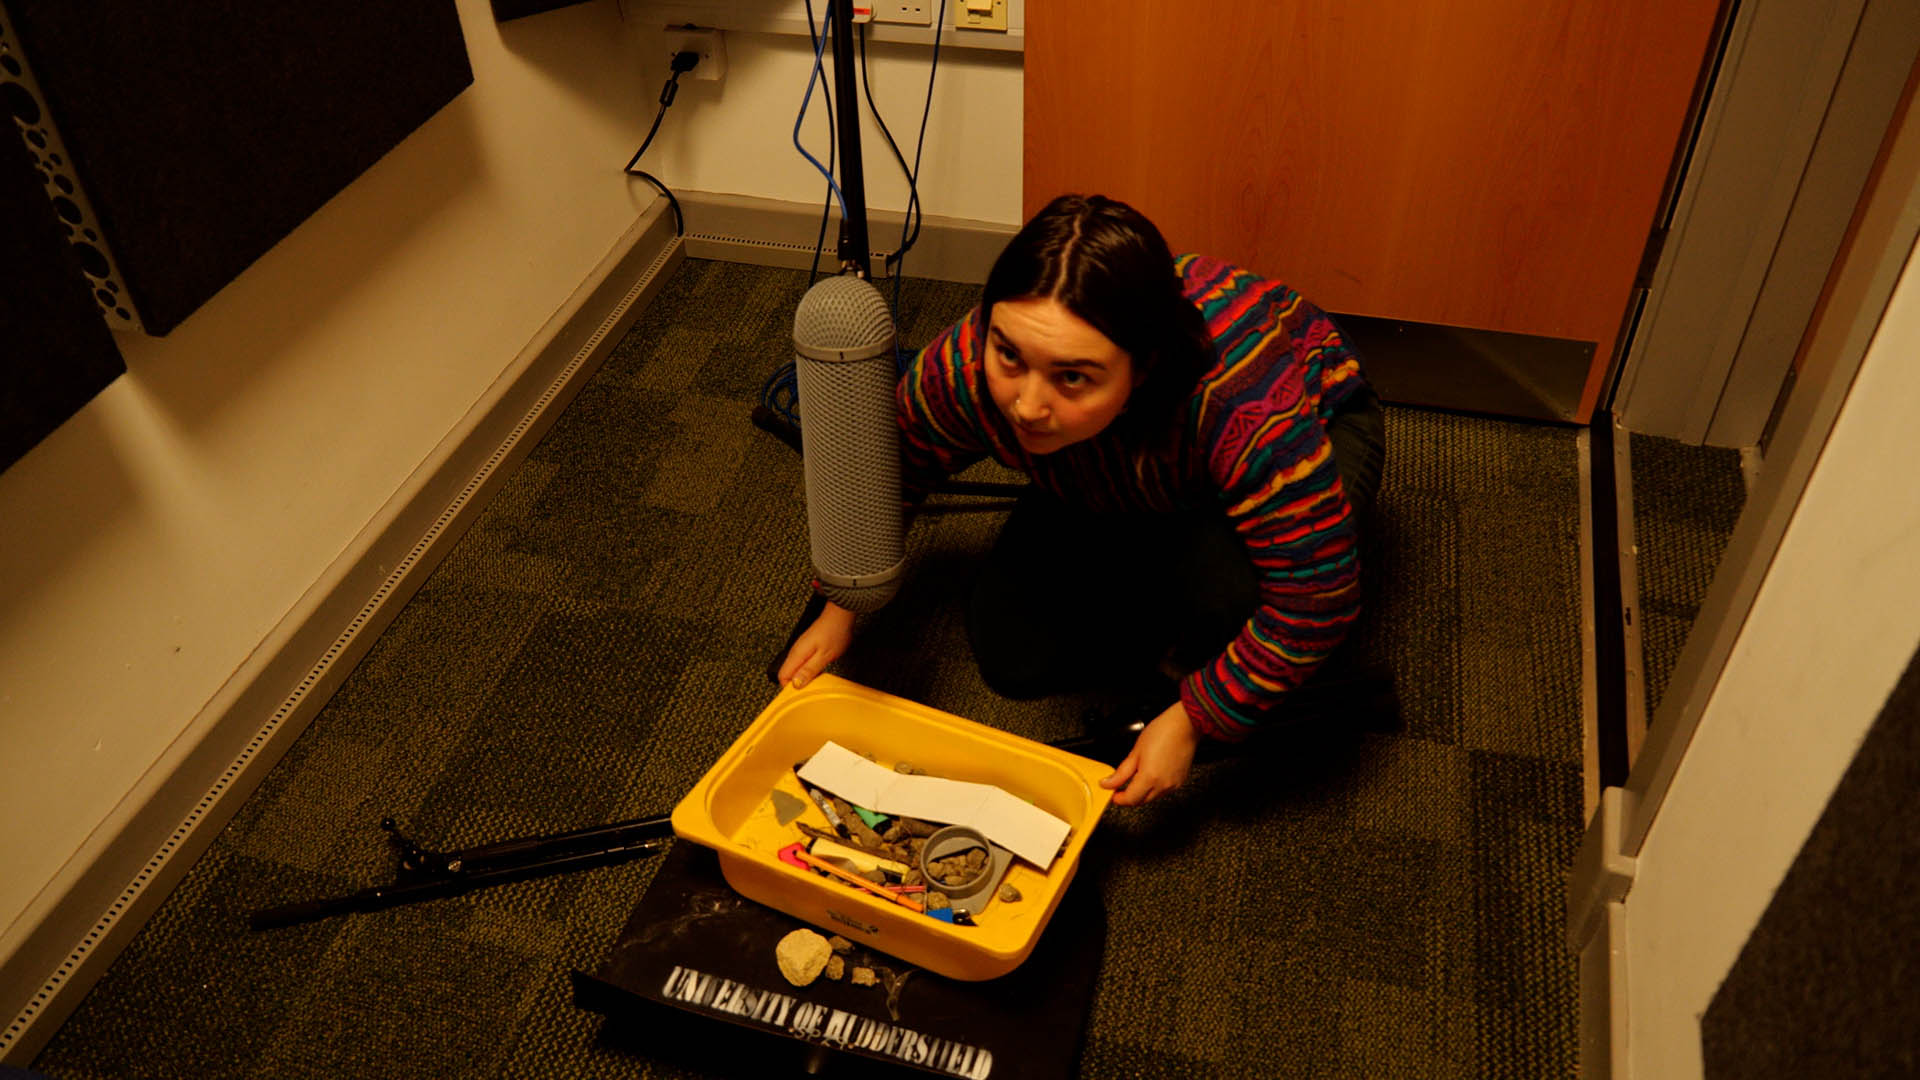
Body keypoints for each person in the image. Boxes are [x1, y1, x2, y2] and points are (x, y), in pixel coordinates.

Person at [777, 194, 1384, 807]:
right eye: (1009, 355)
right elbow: (895, 465)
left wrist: (1197, 716)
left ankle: (1192, 613)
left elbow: (1317, 597)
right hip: (1102, 460)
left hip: (1314, 429)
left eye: (1072, 376)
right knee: (1013, 657)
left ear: (1142, 369)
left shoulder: (1243, 406)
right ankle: (1152, 576)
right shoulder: (968, 360)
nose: (1028, 405)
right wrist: (844, 601)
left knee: (1230, 604)